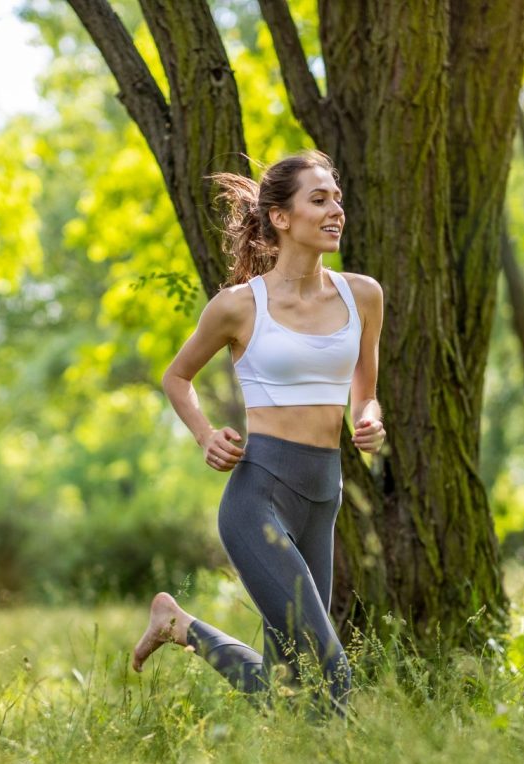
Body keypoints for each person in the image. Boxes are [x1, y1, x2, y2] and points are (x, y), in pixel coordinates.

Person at [130, 150, 385, 717]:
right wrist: (204, 435)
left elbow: (364, 389)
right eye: (318, 200)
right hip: (259, 497)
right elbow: (176, 377)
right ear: (281, 217)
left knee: (291, 684)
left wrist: (370, 419)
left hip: (324, 496)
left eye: (337, 198)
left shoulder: (363, 295)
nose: (335, 210)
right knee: (330, 671)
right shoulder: (240, 307)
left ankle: (179, 625)